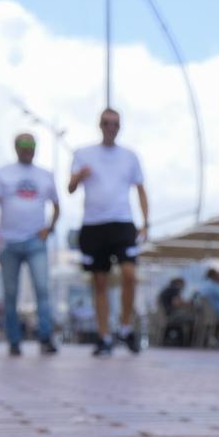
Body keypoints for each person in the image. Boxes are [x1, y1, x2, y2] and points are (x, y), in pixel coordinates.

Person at [69, 108, 149, 357]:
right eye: (106, 123)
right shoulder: (83, 153)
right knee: (100, 282)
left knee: (130, 275)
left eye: (115, 123)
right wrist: (79, 176)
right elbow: (70, 187)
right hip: (94, 224)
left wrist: (146, 222)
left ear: (120, 126)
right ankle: (104, 336)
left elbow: (141, 189)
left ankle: (125, 328)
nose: (111, 128)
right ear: (100, 125)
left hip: (122, 222)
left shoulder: (130, 156)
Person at [0, 132, 60, 356]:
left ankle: (45, 337)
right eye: (23, 144)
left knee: (42, 289)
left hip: (36, 241)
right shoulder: (3, 174)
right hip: (8, 242)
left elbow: (56, 205)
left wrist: (49, 227)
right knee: (10, 293)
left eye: (31, 144)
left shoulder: (45, 175)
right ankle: (14, 340)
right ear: (16, 147)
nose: (28, 148)